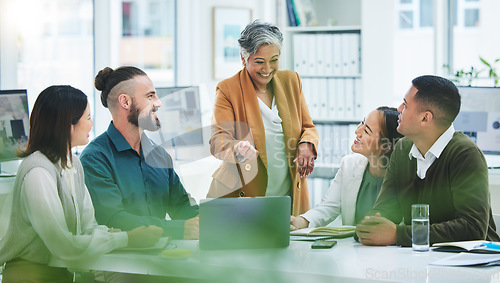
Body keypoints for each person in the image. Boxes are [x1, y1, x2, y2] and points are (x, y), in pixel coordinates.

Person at [0, 85, 162, 282]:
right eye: (87, 118)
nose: (92, 124)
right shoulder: (38, 171)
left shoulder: (73, 163)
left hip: (62, 274)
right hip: (30, 276)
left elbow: (87, 226)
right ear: (68, 125)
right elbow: (63, 246)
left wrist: (114, 235)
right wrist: (127, 239)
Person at [356, 75, 500, 246]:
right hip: (420, 259)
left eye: (406, 105)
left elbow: (472, 228)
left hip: (474, 263)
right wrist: (371, 226)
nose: (399, 108)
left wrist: (399, 235)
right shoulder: (402, 149)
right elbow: (386, 210)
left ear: (425, 118)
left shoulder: (466, 154)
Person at [208, 20, 318, 215]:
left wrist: (307, 144)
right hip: (243, 193)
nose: (267, 69)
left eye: (274, 60)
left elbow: (308, 127)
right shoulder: (228, 90)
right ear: (244, 58)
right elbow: (218, 140)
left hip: (287, 195)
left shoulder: (291, 81)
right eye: (259, 62)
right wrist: (237, 148)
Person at [80, 66, 199, 241]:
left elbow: (181, 205)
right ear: (125, 102)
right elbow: (114, 219)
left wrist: (206, 220)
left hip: (162, 260)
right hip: (120, 265)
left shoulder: (159, 155)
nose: (158, 102)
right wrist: (180, 229)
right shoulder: (95, 158)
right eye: (150, 96)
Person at [290, 107, 403, 229]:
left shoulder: (404, 174)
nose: (357, 131)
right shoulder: (349, 164)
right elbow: (328, 207)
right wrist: (300, 221)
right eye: (362, 123)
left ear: (386, 146)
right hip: (353, 246)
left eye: (366, 131)